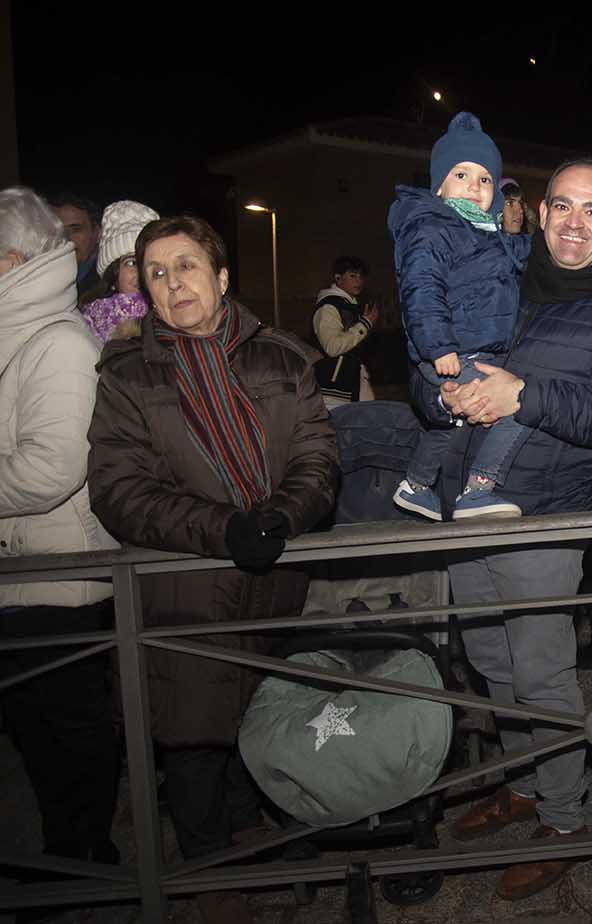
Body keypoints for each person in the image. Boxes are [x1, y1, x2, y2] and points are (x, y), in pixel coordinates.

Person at [86, 215, 338, 924]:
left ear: (222, 277)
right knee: (192, 733)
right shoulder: (126, 375)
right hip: (185, 587)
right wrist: (221, 529)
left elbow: (318, 454)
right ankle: (206, 872)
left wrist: (284, 515)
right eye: (157, 273)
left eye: (187, 266)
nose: (173, 283)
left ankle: (253, 830)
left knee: (262, 715)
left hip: (273, 579)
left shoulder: (281, 358)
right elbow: (119, 490)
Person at [434, 158, 592, 900]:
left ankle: (565, 819)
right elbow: (432, 359)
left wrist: (522, 395)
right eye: (563, 205)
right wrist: (442, 393)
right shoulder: (501, 275)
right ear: (539, 211)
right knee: (490, 662)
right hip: (464, 506)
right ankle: (526, 786)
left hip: (543, 515)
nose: (574, 223)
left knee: (540, 673)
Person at [1, 187, 122, 870]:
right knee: (34, 731)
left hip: (57, 575)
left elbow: (51, 468)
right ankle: (64, 858)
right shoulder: (20, 334)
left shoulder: (58, 341)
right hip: (22, 573)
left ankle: (84, 860)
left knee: (68, 729)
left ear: (15, 259)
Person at [389, 111, 532, 521]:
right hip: (451, 350)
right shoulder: (431, 227)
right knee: (518, 405)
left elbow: (518, 262)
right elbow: (421, 287)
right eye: (462, 175)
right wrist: (439, 346)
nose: (474, 186)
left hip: (474, 350)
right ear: (439, 185)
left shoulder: (486, 233)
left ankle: (416, 485)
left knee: (453, 419)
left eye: (485, 179)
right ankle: (479, 489)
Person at [80, 199, 159, 342]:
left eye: (149, 261)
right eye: (132, 262)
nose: (142, 271)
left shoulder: (175, 315)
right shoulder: (88, 327)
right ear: (113, 275)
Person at [311, 255, 380, 409]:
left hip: (353, 384)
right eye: (352, 276)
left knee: (371, 418)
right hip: (333, 390)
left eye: (361, 276)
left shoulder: (351, 306)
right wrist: (365, 324)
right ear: (338, 278)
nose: (358, 281)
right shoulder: (329, 307)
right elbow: (332, 347)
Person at [49, 191, 102, 297]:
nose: (66, 238)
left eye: (76, 229)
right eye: (59, 231)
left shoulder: (109, 284)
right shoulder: (46, 278)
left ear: (97, 232)